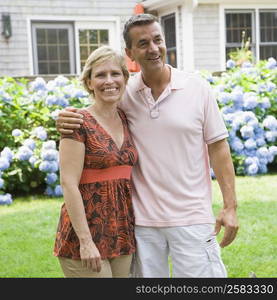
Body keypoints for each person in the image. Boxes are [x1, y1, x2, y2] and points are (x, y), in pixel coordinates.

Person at [56, 14, 239, 278]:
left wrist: (230, 206)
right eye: (143, 43)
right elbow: (94, 114)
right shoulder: (124, 94)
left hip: (192, 217)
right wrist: (63, 118)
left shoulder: (197, 88)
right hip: (140, 223)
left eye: (157, 40)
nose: (153, 48)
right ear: (130, 53)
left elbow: (219, 149)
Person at [53, 46, 138, 278]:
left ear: (125, 78)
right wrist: (86, 241)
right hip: (84, 236)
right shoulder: (77, 123)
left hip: (121, 231)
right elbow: (68, 184)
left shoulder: (127, 118)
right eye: (100, 75)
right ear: (89, 82)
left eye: (115, 73)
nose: (109, 81)